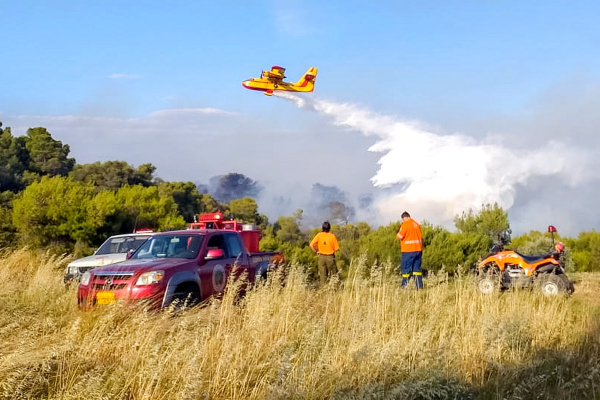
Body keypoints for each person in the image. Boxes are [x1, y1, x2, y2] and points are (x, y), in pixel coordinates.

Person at [396, 211, 423, 289]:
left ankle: (404, 286)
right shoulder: (417, 224)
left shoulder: (405, 225)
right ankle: (419, 286)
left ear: (404, 218)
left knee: (406, 269)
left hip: (408, 250)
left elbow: (400, 236)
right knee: (417, 269)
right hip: (418, 249)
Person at [310, 221, 340, 285]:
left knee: (323, 276)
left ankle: (323, 290)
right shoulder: (332, 236)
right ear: (329, 228)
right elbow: (337, 248)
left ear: (322, 228)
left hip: (321, 257)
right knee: (334, 275)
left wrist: (316, 251)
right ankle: (335, 290)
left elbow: (311, 245)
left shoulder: (319, 235)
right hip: (330, 257)